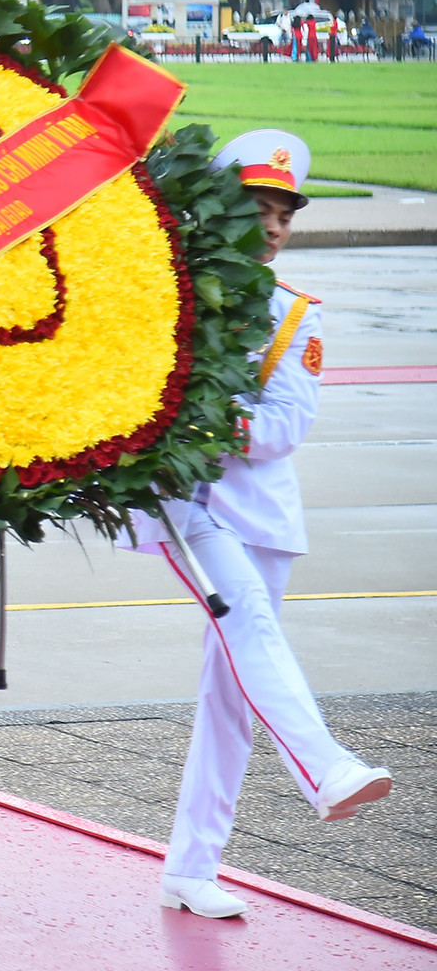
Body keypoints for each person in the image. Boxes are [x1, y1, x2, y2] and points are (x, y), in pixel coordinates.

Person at [136, 130, 392, 921]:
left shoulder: (294, 318)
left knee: (234, 695)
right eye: (258, 206)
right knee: (248, 625)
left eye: (284, 211)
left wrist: (207, 415)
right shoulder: (167, 291)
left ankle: (191, 865)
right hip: (189, 503)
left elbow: (282, 428)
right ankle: (325, 768)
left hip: (265, 517)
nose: (274, 223)